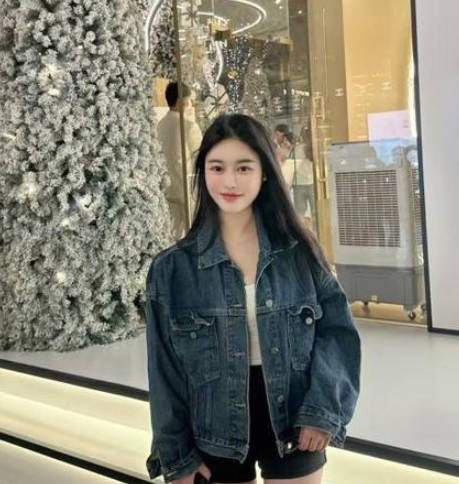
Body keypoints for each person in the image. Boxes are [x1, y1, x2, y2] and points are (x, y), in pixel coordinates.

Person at [145, 114, 361, 484]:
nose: (229, 181)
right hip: (212, 428)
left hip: (296, 423)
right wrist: (177, 456)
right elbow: (164, 372)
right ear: (203, 174)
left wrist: (323, 410)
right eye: (217, 168)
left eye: (243, 168)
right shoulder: (172, 270)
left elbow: (338, 334)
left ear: (264, 173)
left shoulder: (300, 252)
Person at [157, 81, 203, 239]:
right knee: (195, 234)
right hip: (187, 189)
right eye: (188, 100)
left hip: (167, 188)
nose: (190, 105)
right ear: (179, 101)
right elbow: (202, 156)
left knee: (172, 235)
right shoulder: (189, 126)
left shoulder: (160, 126)